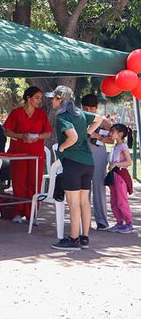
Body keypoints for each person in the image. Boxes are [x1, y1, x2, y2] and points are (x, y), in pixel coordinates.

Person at [47, 86, 103, 251]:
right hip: (88, 163)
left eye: (54, 98)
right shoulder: (80, 113)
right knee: (84, 202)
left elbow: (73, 137)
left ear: (61, 100)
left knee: (73, 203)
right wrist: (87, 133)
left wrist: (62, 147)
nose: (51, 100)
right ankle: (84, 237)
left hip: (72, 163)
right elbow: (99, 119)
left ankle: (73, 239)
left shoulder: (63, 117)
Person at [3, 86, 52, 224]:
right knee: (18, 182)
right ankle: (18, 211)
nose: (39, 101)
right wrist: (21, 136)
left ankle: (32, 213)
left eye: (40, 98)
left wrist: (37, 136)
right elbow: (7, 131)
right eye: (36, 98)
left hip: (36, 152)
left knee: (34, 182)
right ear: (28, 98)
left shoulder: (41, 114)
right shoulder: (16, 112)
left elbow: (48, 133)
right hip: (19, 151)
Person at [81, 94, 112, 230]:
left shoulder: (104, 121)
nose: (88, 110)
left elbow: (112, 140)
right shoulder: (80, 118)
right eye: (85, 108)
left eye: (91, 108)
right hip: (83, 155)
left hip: (99, 154)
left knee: (99, 187)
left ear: (96, 108)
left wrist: (97, 136)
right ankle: (83, 221)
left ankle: (102, 220)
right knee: (83, 189)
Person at [106, 124, 134, 234]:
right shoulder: (116, 146)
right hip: (114, 175)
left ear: (120, 134)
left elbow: (129, 162)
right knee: (114, 200)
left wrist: (117, 163)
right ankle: (119, 222)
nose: (110, 134)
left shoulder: (123, 147)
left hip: (121, 176)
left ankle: (128, 223)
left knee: (121, 200)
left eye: (113, 132)